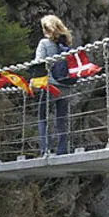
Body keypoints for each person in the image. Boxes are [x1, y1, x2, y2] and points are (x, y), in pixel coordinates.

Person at [35, 15, 74, 155]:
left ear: (46, 28)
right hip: (65, 85)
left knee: (42, 116)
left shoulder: (44, 43)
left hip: (50, 84)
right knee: (61, 118)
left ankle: (46, 149)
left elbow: (39, 62)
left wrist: (34, 81)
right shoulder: (67, 45)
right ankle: (62, 150)